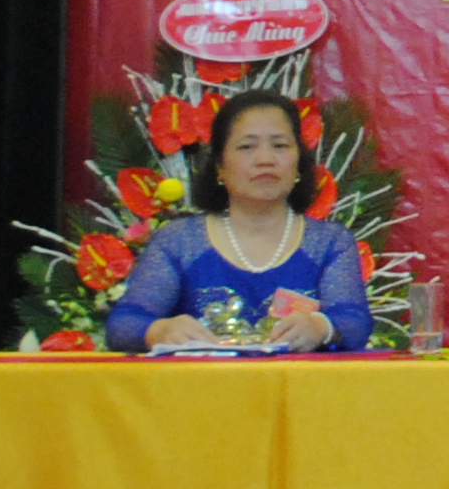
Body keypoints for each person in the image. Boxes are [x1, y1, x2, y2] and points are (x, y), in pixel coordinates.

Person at [103, 88, 375, 353]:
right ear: (219, 167)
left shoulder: (329, 242)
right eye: (246, 146)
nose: (265, 159)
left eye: (280, 146)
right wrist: (157, 331)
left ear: (299, 164)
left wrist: (322, 327)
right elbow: (123, 325)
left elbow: (355, 322)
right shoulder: (178, 241)